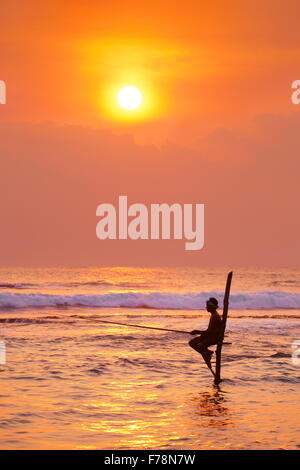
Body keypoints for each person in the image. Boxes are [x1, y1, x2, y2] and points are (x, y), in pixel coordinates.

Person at [189, 297, 223, 367]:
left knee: (199, 346)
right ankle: (207, 353)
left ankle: (207, 353)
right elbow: (209, 331)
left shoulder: (215, 317)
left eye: (207, 306)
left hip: (213, 338)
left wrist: (196, 331)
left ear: (211, 307)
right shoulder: (214, 315)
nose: (206, 307)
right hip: (210, 336)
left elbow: (209, 332)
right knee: (192, 343)